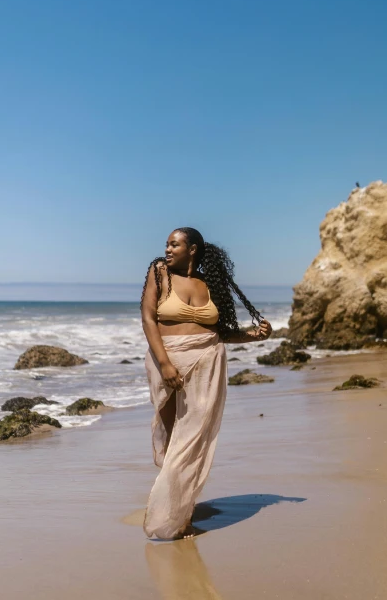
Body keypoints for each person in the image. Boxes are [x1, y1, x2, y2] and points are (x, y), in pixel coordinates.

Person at [140, 227, 272, 540]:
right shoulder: (159, 273)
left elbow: (220, 331)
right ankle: (174, 504)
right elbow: (148, 319)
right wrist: (165, 364)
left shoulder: (210, 282)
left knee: (193, 438)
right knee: (173, 435)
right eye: (167, 244)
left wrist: (254, 335)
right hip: (167, 362)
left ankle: (177, 514)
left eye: (175, 244)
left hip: (207, 364)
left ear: (194, 249)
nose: (168, 249)